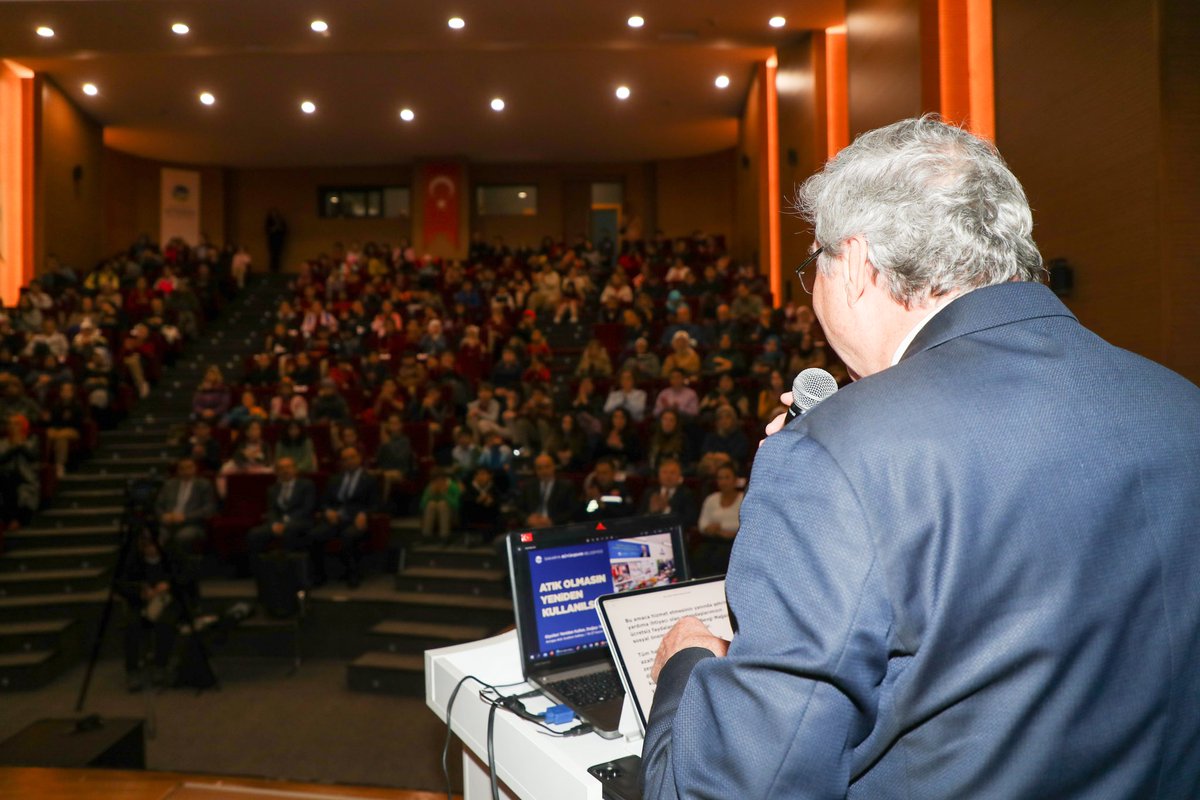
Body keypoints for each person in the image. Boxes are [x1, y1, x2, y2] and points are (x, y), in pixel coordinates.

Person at [642, 117, 1200, 798]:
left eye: (812, 267)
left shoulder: (837, 455)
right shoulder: (1180, 403)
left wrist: (684, 669)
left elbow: (735, 787)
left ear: (853, 264)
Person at [311, 446, 379, 588]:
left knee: (348, 536)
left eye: (352, 457)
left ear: (359, 458)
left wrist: (364, 513)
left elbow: (376, 504)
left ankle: (352, 573)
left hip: (355, 519)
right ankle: (319, 574)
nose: (349, 461)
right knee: (315, 535)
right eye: (345, 459)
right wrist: (327, 511)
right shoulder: (334, 479)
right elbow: (324, 502)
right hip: (335, 518)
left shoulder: (369, 479)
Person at [246, 457, 317, 561]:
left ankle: (288, 566)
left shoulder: (306, 485)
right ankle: (260, 566)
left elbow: (307, 508)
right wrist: (274, 523)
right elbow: (271, 510)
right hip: (278, 523)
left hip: (300, 521)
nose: (285, 470)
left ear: (295, 469)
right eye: (281, 468)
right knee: (254, 534)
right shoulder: (272, 489)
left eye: (288, 467)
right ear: (277, 472)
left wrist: (285, 522)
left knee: (289, 530)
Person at [154, 458, 217, 559]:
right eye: (182, 468)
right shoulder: (169, 484)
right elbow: (158, 505)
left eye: (189, 467)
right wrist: (163, 515)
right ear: (178, 470)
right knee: (154, 535)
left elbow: (209, 509)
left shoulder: (204, 484)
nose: (185, 471)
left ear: (195, 468)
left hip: (193, 524)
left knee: (182, 537)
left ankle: (186, 565)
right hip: (168, 523)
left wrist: (185, 517)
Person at [690, 463, 743, 576]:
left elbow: (743, 524)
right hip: (712, 540)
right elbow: (702, 524)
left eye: (727, 477)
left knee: (721, 556)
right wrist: (715, 530)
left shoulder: (743, 499)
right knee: (700, 554)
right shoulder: (711, 499)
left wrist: (721, 527)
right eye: (720, 478)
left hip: (735, 543)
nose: (723, 482)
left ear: (735, 480)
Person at [514, 453, 575, 529]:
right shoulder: (528, 486)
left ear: (553, 467)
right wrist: (528, 519)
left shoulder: (565, 486)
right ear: (535, 470)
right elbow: (518, 509)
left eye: (547, 467)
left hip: (556, 527)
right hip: (533, 528)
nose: (544, 471)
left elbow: (572, 511)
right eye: (539, 468)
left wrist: (552, 521)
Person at [637, 457, 698, 529]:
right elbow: (638, 517)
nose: (668, 476)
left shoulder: (686, 494)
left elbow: (691, 520)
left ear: (680, 476)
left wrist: (666, 509)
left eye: (672, 473)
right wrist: (650, 512)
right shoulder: (650, 492)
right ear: (659, 475)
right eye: (664, 472)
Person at [0, 415, 39, 529]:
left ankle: (18, 520)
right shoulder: (2, 443)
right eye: (10, 423)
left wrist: (20, 445)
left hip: (26, 478)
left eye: (16, 424)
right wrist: (14, 448)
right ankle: (9, 519)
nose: (12, 426)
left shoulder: (31, 442)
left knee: (23, 491)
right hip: (5, 477)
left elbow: (33, 457)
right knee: (6, 481)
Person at [419, 467, 461, 540]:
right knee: (431, 504)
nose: (438, 482)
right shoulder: (430, 487)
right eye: (435, 480)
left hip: (451, 515)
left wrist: (444, 494)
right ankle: (426, 535)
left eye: (440, 480)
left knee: (442, 504)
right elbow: (422, 506)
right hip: (432, 514)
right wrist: (430, 494)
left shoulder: (453, 486)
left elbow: (457, 505)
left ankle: (444, 536)